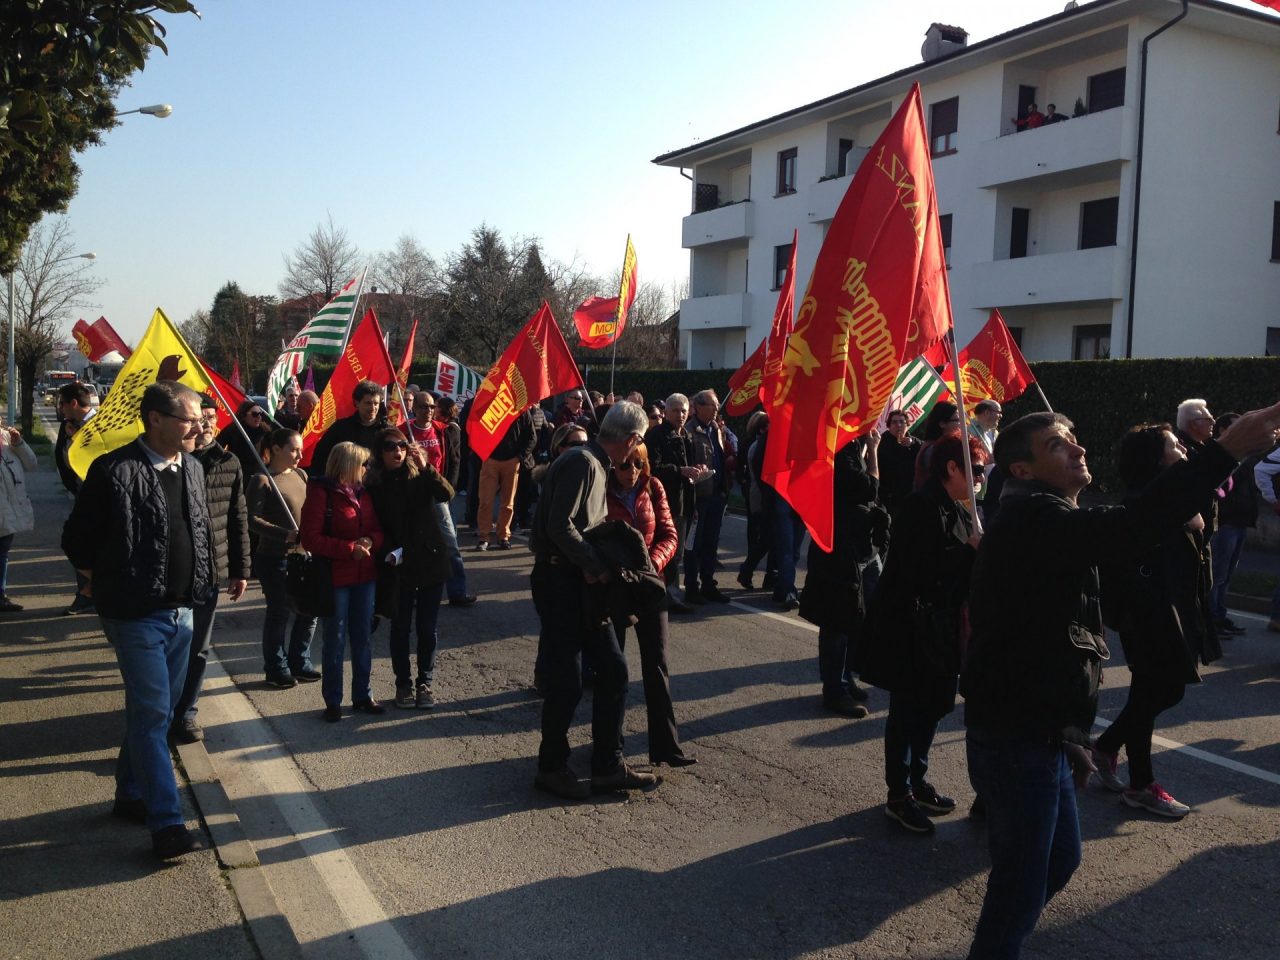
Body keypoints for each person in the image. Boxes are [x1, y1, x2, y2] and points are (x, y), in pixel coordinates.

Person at [959, 406, 1280, 959]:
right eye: (1059, 445)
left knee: (1059, 861)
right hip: (1016, 740)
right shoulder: (1031, 520)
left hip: (1043, 732)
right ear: (1022, 471)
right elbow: (1131, 525)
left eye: (1074, 437)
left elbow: (1045, 646)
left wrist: (1072, 734)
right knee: (1018, 887)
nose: (1079, 449)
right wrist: (1225, 451)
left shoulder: (1047, 519)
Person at [62, 380, 216, 860]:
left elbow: (198, 529)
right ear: (155, 419)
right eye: (189, 418)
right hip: (135, 615)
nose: (199, 425)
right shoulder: (114, 471)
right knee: (153, 715)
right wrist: (105, 581)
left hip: (182, 611)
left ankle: (130, 793)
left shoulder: (191, 467)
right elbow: (77, 541)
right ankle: (167, 824)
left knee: (158, 713)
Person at [529, 401, 660, 800]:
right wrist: (596, 564)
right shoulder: (584, 463)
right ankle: (551, 767)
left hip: (579, 581)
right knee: (566, 680)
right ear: (633, 438)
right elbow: (559, 525)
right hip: (560, 580)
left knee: (613, 670)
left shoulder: (595, 463)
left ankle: (607, 764)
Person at [1092, 423, 1219, 820]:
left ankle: (1109, 747)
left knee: (1157, 693)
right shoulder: (1144, 504)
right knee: (1154, 693)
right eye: (1172, 444)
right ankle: (1140, 784)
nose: (1181, 446)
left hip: (1177, 609)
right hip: (1150, 615)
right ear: (1153, 458)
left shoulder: (1171, 496)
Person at [861, 434, 985, 835]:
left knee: (933, 707)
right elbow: (922, 569)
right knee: (907, 711)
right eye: (976, 468)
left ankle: (918, 779)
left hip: (943, 625)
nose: (981, 477)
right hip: (912, 626)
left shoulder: (962, 506)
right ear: (952, 468)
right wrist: (970, 551)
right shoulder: (921, 505)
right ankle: (898, 795)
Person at [604, 441, 695, 766]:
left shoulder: (653, 486)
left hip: (649, 586)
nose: (630, 473)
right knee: (614, 670)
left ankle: (666, 747)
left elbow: (670, 534)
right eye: (624, 465)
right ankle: (610, 747)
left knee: (657, 665)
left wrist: (651, 563)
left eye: (637, 465)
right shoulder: (601, 489)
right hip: (614, 588)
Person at [170, 396, 250, 743]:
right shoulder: (173, 460)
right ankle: (164, 709)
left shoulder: (229, 462)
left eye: (210, 418)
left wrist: (240, 569)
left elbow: (238, 518)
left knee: (198, 647)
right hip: (173, 572)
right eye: (198, 418)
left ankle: (186, 713)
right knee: (170, 645)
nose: (204, 424)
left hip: (211, 572)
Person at [367, 426, 454, 710]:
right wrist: (390, 550)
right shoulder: (375, 485)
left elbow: (446, 493)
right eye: (391, 446)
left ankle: (424, 682)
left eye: (402, 445)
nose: (398, 451)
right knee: (401, 628)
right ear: (380, 453)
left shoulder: (420, 475)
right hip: (399, 563)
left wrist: (427, 466)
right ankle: (403, 683)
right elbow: (376, 524)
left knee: (427, 628)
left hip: (430, 559)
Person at [300, 440, 385, 722]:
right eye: (362, 463)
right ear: (348, 465)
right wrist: (350, 549)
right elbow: (310, 538)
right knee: (334, 640)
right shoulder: (321, 492)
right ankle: (333, 701)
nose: (366, 468)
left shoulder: (365, 493)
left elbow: (377, 528)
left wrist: (371, 540)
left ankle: (363, 694)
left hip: (366, 575)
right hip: (336, 577)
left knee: (363, 638)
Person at [801, 435, 881, 717]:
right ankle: (834, 689)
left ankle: (847, 678)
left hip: (860, 544)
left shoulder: (851, 445)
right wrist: (874, 451)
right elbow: (868, 488)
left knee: (860, 613)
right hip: (839, 545)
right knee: (838, 617)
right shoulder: (839, 447)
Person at [247, 427, 319, 688]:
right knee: (279, 613)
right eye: (293, 449)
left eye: (300, 449)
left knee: (309, 611)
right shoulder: (262, 479)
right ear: (276, 449)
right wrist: (284, 534)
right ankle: (276, 667)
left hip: (305, 555)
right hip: (275, 557)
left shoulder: (301, 474)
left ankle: (300, 661)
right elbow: (252, 520)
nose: (299, 454)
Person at [411, 393, 475, 607]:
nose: (428, 410)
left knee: (450, 544)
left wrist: (449, 487)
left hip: (437, 494)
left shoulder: (443, 430)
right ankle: (412, 591)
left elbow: (454, 459)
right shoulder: (404, 431)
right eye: (423, 406)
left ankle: (457, 591)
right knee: (413, 545)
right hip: (412, 495)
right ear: (414, 408)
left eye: (431, 406)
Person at [645, 393, 707, 614]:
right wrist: (681, 471)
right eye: (676, 410)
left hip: (685, 499)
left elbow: (688, 465)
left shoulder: (687, 436)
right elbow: (652, 468)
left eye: (683, 410)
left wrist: (698, 470)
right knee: (668, 549)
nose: (680, 415)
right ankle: (667, 594)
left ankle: (671, 592)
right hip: (666, 500)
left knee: (679, 551)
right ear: (666, 412)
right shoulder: (656, 436)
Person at [685, 389, 732, 604]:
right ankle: (692, 585)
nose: (716, 409)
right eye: (712, 405)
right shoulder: (689, 430)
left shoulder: (716, 429)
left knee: (711, 541)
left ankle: (708, 582)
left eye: (717, 406)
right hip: (699, 496)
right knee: (695, 542)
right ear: (698, 406)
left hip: (717, 494)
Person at [54, 381, 97, 614]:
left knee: (89, 542)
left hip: (102, 494)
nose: (60, 408)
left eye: (62, 403)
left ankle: (92, 592)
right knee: (77, 542)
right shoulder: (67, 426)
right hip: (81, 493)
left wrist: (78, 438)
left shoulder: (102, 422)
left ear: (73, 403)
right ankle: (87, 593)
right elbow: (63, 458)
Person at [1207, 413, 1252, 636]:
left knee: (1227, 574)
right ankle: (1211, 618)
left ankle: (1219, 615)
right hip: (1225, 522)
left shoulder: (1243, 453)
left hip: (1240, 521)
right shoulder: (1218, 454)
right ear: (1223, 429)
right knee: (1218, 574)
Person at [475, 406, 536, 551]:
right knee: (485, 501)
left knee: (508, 502)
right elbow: (477, 430)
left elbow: (531, 437)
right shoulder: (489, 405)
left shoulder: (522, 410)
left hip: (512, 461)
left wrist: (519, 457)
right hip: (490, 459)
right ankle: (484, 537)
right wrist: (483, 452)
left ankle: (503, 536)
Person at [310, 379, 389, 478]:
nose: (373, 408)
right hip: (347, 486)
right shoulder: (341, 428)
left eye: (376, 403)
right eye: (368, 403)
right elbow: (321, 456)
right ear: (356, 403)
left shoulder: (387, 431)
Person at [0, 417, 36, 612]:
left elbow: (32, 464)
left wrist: (19, 443)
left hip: (8, 511)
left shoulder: (9, 440)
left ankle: (1, 595)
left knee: (3, 553)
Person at [736, 412, 775, 591]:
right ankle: (748, 570)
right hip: (764, 496)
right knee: (767, 538)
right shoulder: (757, 445)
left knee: (772, 539)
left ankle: (769, 575)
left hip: (766, 496)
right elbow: (757, 472)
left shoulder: (762, 443)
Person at [877, 409, 922, 517]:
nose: (898, 425)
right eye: (894, 422)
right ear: (889, 425)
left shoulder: (914, 442)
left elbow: (927, 451)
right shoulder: (881, 443)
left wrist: (913, 444)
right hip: (891, 499)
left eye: (902, 422)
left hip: (913, 496)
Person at [217, 399, 271, 482]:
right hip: (236, 472)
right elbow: (218, 447)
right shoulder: (234, 429)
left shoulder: (264, 431)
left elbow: (273, 451)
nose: (259, 417)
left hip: (257, 474)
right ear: (244, 415)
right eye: (255, 414)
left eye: (260, 414)